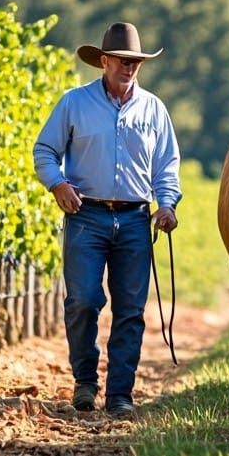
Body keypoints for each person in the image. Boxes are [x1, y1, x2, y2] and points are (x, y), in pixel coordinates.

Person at [33, 22, 181, 417]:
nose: (129, 67)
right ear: (103, 61)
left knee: (131, 310)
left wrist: (166, 204)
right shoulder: (73, 103)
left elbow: (167, 166)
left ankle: (120, 394)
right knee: (82, 301)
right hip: (86, 214)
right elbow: (45, 151)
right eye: (122, 60)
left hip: (135, 218)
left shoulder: (154, 109)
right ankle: (85, 382)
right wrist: (57, 184)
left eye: (135, 61)